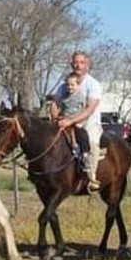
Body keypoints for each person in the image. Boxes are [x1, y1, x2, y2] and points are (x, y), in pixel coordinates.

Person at [51, 51, 104, 191]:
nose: (78, 65)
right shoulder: (65, 85)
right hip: (66, 120)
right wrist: (56, 118)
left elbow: (90, 109)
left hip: (88, 122)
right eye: (75, 62)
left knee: (92, 141)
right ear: (71, 64)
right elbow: (55, 103)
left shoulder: (93, 84)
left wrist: (71, 121)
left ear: (87, 65)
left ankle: (91, 177)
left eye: (81, 62)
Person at [47, 72, 90, 171]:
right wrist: (58, 117)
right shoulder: (64, 98)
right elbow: (61, 109)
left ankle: (84, 155)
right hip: (65, 120)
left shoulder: (81, 98)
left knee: (82, 134)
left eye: (72, 85)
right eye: (67, 85)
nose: (69, 87)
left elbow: (83, 110)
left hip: (77, 120)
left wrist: (75, 120)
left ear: (78, 85)